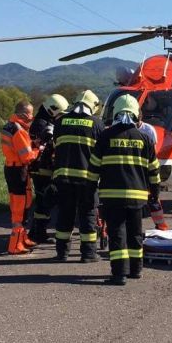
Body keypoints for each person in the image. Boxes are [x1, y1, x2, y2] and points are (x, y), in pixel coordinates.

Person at [87, 94, 161, 285]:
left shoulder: (105, 136)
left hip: (112, 197)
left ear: (116, 112)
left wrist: (90, 192)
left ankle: (119, 274)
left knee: (117, 234)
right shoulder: (145, 138)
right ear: (136, 114)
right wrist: (155, 194)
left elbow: (94, 167)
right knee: (135, 233)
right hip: (138, 197)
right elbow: (154, 172)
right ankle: (136, 270)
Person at [52, 89, 105, 262]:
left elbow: (56, 147)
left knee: (64, 215)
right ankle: (88, 254)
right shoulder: (97, 124)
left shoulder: (60, 123)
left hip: (63, 178)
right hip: (88, 180)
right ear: (93, 106)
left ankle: (61, 253)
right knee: (88, 215)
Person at [28, 93, 69, 244]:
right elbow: (46, 145)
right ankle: (37, 233)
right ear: (53, 110)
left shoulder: (43, 121)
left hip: (43, 167)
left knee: (45, 200)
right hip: (41, 168)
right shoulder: (41, 124)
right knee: (44, 200)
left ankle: (37, 232)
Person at [1, 100, 39, 254]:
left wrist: (31, 143)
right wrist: (38, 149)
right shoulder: (19, 130)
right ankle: (15, 245)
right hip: (18, 171)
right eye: (30, 113)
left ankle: (23, 238)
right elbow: (27, 157)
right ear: (24, 114)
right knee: (19, 208)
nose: (32, 116)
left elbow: (18, 146)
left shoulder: (8, 126)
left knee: (24, 204)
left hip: (11, 168)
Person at [136, 110, 168, 231]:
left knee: (153, 199)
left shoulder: (149, 130)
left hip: (146, 167)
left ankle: (161, 225)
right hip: (135, 168)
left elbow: (153, 152)